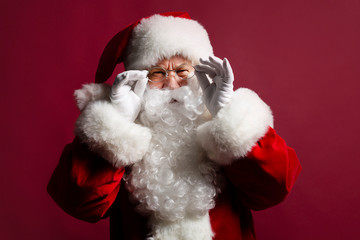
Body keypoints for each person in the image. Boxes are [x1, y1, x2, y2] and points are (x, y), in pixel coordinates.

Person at [47, 12, 301, 240]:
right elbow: (78, 202)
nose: (171, 84)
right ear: (139, 80)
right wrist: (116, 123)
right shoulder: (122, 132)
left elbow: (275, 189)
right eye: (157, 73)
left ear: (201, 73)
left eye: (182, 71)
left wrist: (226, 117)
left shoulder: (225, 122)